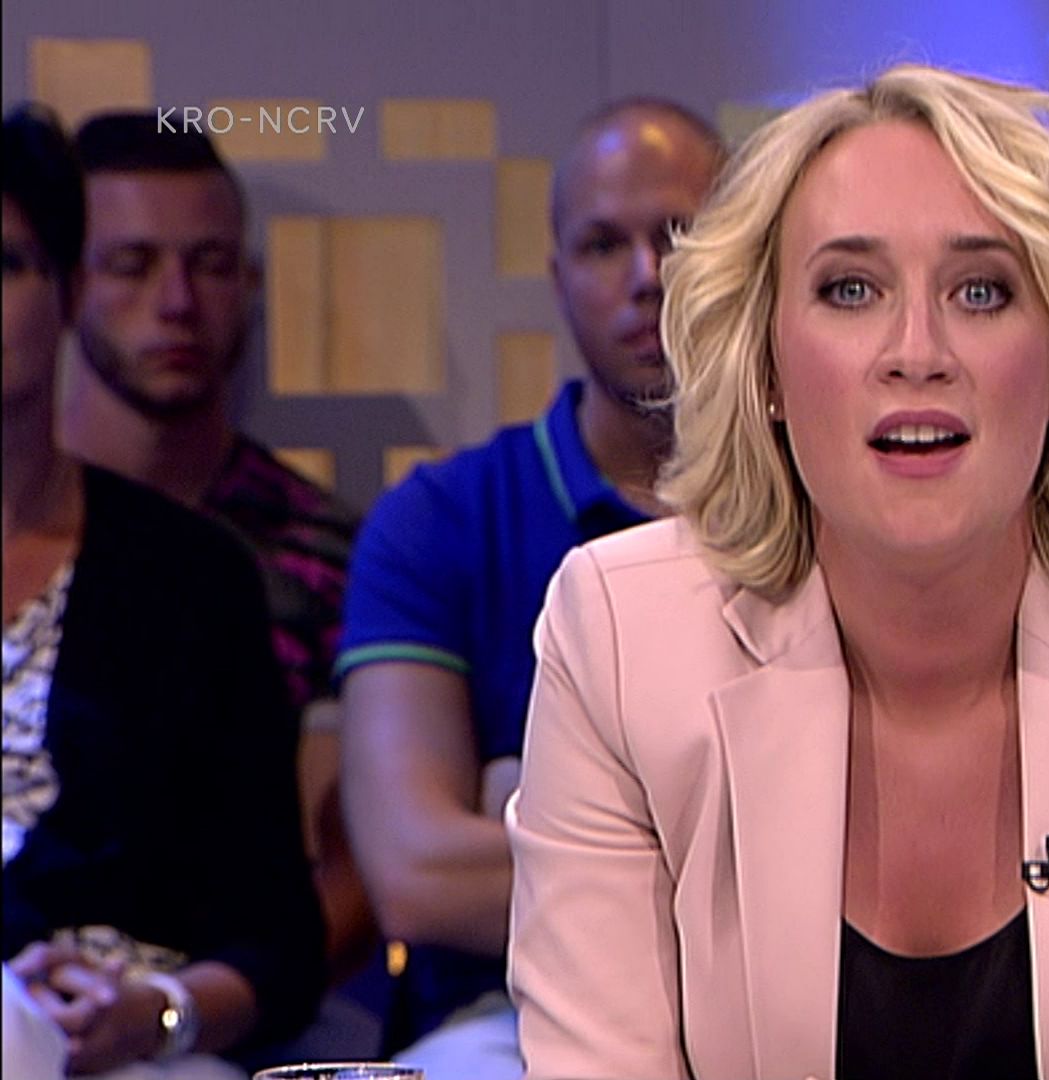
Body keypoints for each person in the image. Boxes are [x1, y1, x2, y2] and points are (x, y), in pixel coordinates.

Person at [507, 64, 1049, 1079]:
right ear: (768, 366)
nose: (916, 352)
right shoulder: (619, 637)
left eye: (981, 291)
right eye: (850, 289)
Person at [335, 98, 724, 1075]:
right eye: (604, 245)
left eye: (680, 235)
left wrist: (536, 812)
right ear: (558, 279)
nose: (647, 274)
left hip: (768, 1011)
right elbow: (417, 874)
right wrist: (726, 848)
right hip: (501, 1019)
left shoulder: (827, 506)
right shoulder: (440, 518)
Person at [2, 104, 324, 1080]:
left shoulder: (192, 576)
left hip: (125, 1040)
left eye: (5, 265)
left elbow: (278, 943)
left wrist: (157, 1015)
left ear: (66, 290)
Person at [58, 114, 370, 992]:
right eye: (133, 265)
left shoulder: (326, 554)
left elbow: (359, 857)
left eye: (211, 264)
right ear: (70, 284)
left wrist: (227, 1004)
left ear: (250, 283)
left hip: (251, 1004)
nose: (177, 302)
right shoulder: (28, 538)